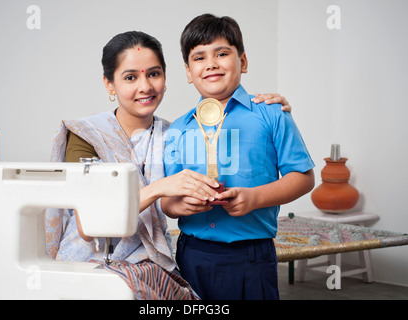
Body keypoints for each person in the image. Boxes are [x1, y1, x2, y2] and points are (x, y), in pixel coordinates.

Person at [45, 30, 292, 300]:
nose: (145, 87)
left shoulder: (177, 133)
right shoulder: (86, 135)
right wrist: (160, 188)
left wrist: (264, 108)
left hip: (156, 264)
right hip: (91, 261)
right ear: (109, 84)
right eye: (130, 77)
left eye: (154, 73)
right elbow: (89, 225)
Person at [162, 14, 315, 300]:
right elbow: (167, 202)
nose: (211, 64)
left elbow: (303, 178)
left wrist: (254, 198)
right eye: (199, 57)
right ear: (187, 71)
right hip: (191, 254)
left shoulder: (271, 113)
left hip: (251, 256)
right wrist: (183, 205)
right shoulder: (179, 128)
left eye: (222, 53)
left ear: (242, 62)